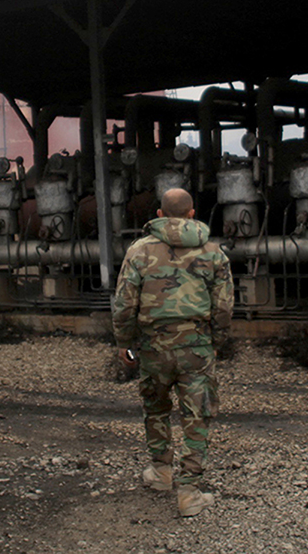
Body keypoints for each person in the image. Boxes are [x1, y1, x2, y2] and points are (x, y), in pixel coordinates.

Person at [112, 187, 233, 517]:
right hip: (197, 347)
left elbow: (124, 303)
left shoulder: (138, 251)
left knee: (156, 408)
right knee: (198, 415)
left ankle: (162, 473)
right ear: (192, 214)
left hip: (153, 348)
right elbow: (224, 305)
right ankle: (190, 491)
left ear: (160, 215)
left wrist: (124, 342)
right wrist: (216, 341)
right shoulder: (212, 251)